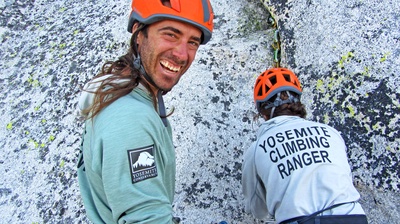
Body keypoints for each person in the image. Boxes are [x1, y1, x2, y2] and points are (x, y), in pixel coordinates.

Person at [76, 0, 214, 223]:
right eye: (170, 34)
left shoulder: (117, 93)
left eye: (193, 43)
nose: (181, 54)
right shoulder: (130, 120)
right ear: (138, 32)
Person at [241, 68, 368, 224]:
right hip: (353, 217)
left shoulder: (257, 149)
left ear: (263, 113)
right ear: (298, 102)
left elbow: (257, 209)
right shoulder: (331, 133)